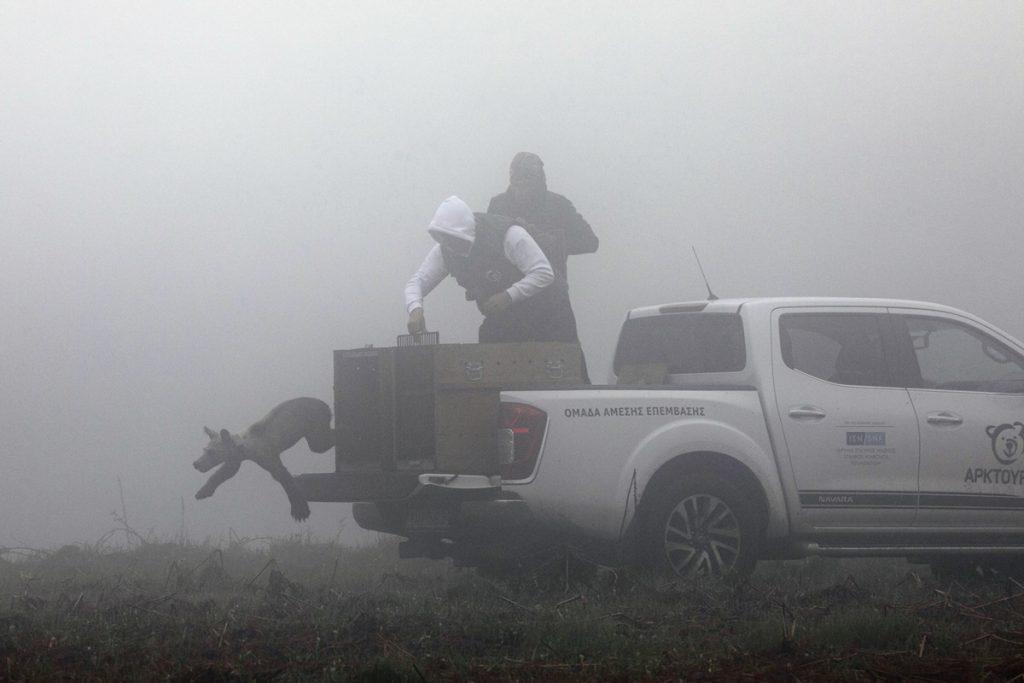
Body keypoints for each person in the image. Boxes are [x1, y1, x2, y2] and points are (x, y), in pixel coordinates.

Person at [405, 196, 583, 345]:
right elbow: (417, 282)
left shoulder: (508, 234)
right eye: (443, 238)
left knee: (564, 375)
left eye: (453, 239)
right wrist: (415, 309)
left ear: (466, 233)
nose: (449, 246)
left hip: (550, 313)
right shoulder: (445, 250)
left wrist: (508, 295)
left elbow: (543, 272)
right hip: (506, 317)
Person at [487, 152, 598, 286]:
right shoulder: (499, 205)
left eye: (527, 177)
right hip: (508, 291)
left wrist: (554, 241)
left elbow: (590, 242)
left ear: (540, 179)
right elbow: (488, 246)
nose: (521, 182)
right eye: (517, 177)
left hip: (551, 292)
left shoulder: (559, 205)